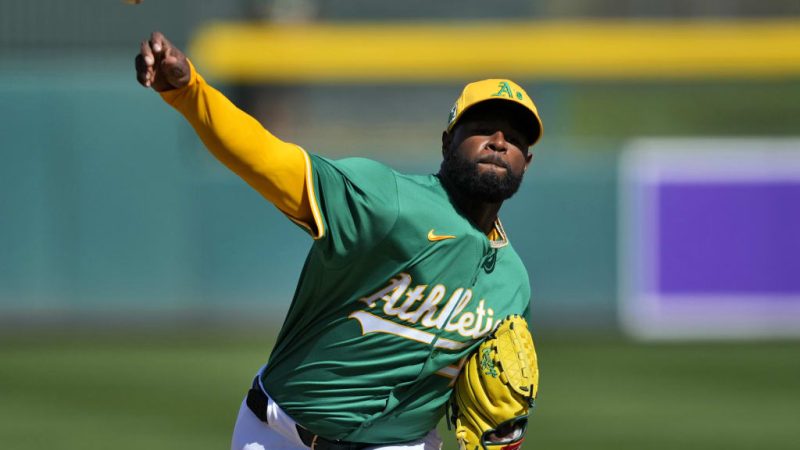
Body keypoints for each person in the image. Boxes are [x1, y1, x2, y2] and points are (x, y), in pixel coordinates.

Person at [135, 31, 543, 450]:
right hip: (279, 434)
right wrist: (190, 93)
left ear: (526, 162)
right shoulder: (388, 201)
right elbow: (268, 159)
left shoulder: (513, 284)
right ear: (447, 142)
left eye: (515, 138)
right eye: (482, 129)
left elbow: (496, 391)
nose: (499, 143)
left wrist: (504, 434)